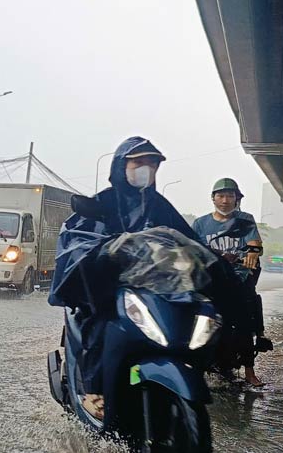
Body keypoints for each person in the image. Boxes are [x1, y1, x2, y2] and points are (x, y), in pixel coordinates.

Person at [49, 136, 198, 419]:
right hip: (108, 285)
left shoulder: (159, 205)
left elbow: (187, 237)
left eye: (152, 164)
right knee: (100, 319)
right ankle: (94, 390)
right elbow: (80, 236)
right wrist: (105, 248)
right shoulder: (104, 201)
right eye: (138, 162)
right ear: (122, 166)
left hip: (152, 285)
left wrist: (208, 254)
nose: (146, 168)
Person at [192, 178, 267, 386]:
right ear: (213, 198)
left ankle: (250, 371)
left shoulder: (245, 219)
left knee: (244, 319)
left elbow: (255, 243)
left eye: (230, 196)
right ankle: (194, 365)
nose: (225, 200)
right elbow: (192, 247)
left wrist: (252, 251)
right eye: (221, 196)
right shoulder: (200, 223)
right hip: (212, 279)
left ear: (237, 199)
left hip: (239, 277)